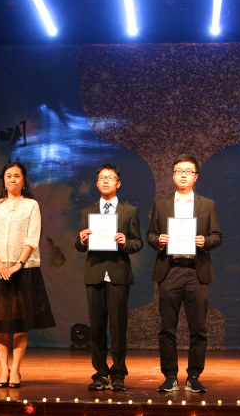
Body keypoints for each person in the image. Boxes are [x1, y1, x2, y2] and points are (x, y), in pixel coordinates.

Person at [0, 162, 55, 388]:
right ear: (3, 180)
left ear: (24, 180)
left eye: (16, 176)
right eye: (8, 176)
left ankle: (16, 370)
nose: (12, 179)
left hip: (23, 270)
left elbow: (32, 238)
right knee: (1, 323)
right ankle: (4, 369)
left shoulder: (31, 205)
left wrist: (18, 264)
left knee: (21, 323)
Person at [146, 154, 222, 393]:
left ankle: (193, 376)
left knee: (198, 328)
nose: (183, 175)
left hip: (197, 272)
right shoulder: (162, 205)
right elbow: (150, 235)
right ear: (172, 175)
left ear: (195, 177)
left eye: (188, 171)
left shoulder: (207, 204)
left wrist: (205, 241)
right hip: (170, 270)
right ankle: (170, 376)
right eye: (179, 171)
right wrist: (159, 240)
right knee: (167, 327)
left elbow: (217, 236)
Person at [75, 164, 143, 392]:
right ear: (97, 183)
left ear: (118, 183)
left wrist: (125, 243)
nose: (105, 181)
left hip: (118, 274)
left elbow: (137, 243)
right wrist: (82, 239)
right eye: (102, 178)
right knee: (96, 328)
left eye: (110, 177)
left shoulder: (129, 211)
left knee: (118, 328)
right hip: (94, 273)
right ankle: (101, 374)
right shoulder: (87, 211)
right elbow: (79, 245)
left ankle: (118, 374)